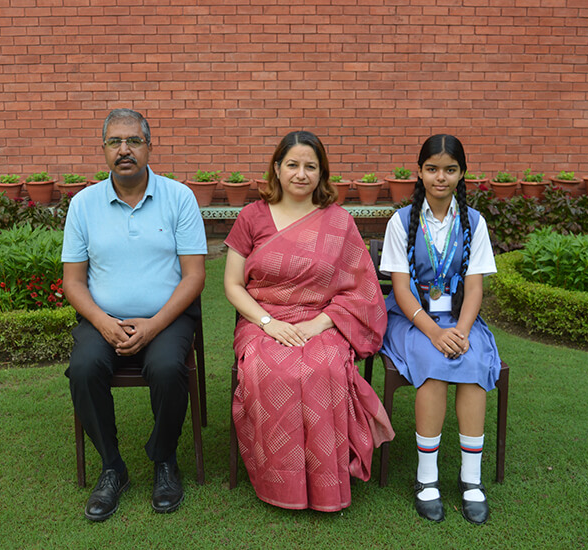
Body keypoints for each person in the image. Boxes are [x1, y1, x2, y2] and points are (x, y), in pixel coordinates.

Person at [223, 130, 395, 512]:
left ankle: (324, 483)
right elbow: (233, 286)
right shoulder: (251, 216)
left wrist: (321, 324)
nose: (301, 174)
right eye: (293, 165)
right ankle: (280, 480)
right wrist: (269, 323)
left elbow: (362, 289)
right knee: (269, 371)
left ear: (322, 173)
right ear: (277, 168)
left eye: (310, 167)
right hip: (262, 319)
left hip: (323, 321)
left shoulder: (338, 222)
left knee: (325, 368)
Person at [62, 109, 207, 520]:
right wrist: (104, 323)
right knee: (85, 367)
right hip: (103, 318)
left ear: (149, 146)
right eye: (114, 142)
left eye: (133, 141)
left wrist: (155, 324)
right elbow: (73, 282)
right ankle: (113, 468)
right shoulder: (84, 205)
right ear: (104, 149)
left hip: (167, 317)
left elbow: (194, 276)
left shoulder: (179, 197)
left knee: (165, 367)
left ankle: (164, 460)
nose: (124, 150)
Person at [379, 134, 501, 525]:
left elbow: (476, 286)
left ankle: (471, 480)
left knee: (473, 363)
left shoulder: (474, 222)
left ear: (462, 173)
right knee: (432, 365)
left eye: (450, 170)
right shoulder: (401, 222)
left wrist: (462, 332)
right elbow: (400, 287)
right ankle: (427, 479)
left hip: (461, 319)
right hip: (413, 317)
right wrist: (434, 333)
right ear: (420, 171)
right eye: (432, 169)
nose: (440, 177)